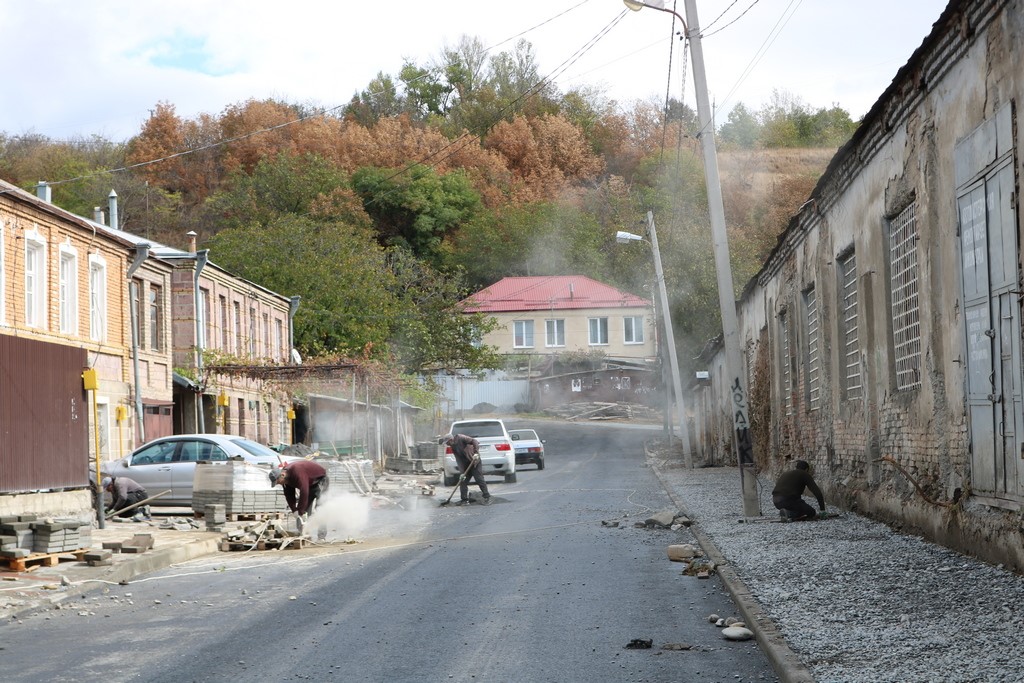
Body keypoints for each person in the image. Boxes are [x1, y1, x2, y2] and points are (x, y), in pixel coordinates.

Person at [441, 433, 491, 506]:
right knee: (463, 481)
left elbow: (474, 441)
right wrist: (462, 472)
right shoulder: (453, 447)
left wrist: (476, 452)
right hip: (465, 465)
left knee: (479, 479)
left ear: (451, 440)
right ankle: (464, 500)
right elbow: (458, 460)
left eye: (447, 442)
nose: (448, 444)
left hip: (474, 461)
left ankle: (487, 497)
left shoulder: (461, 438)